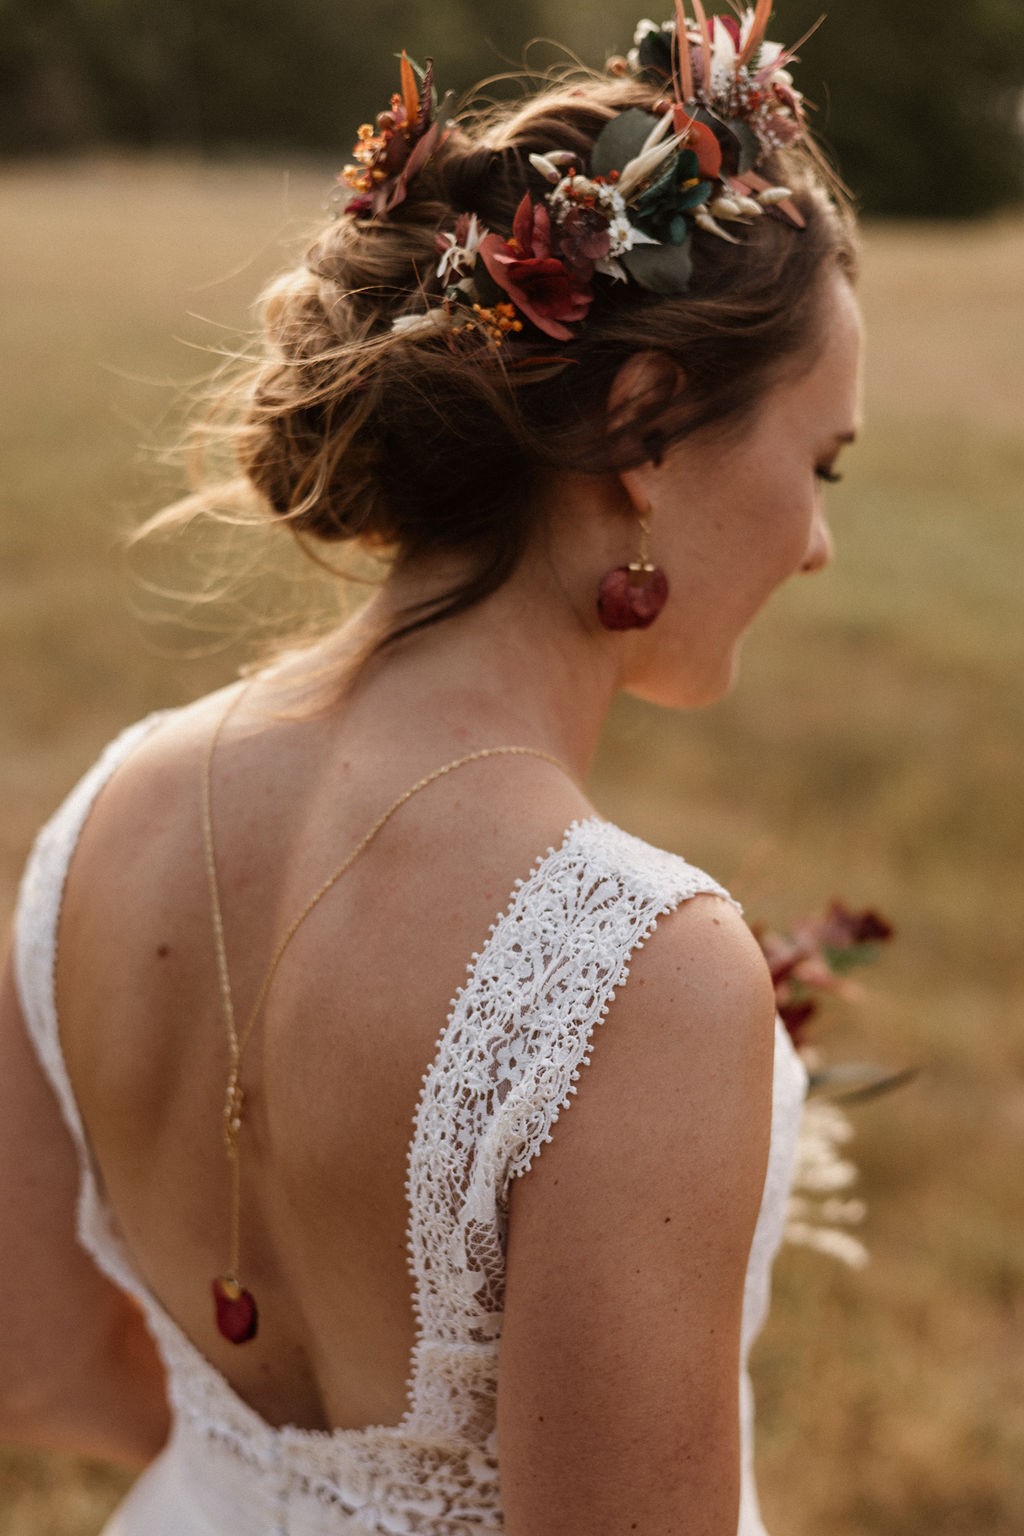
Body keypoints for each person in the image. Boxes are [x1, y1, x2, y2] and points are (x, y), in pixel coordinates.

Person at [0, 8, 862, 1534]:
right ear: (646, 427)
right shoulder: (639, 975)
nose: (817, 540)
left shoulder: (98, 820)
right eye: (821, 463)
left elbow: (35, 1361)